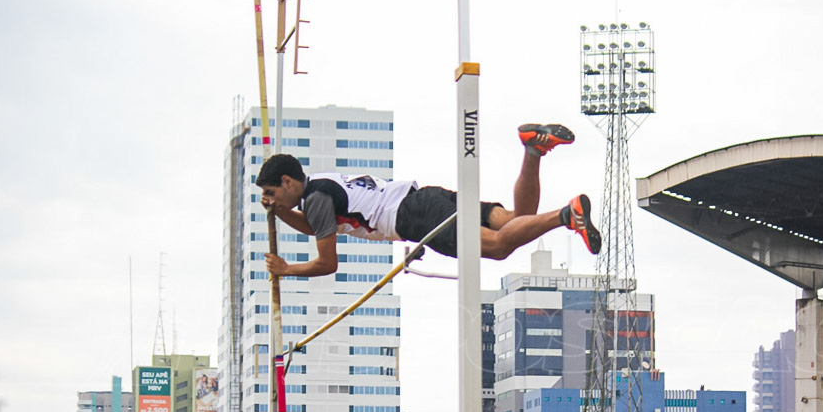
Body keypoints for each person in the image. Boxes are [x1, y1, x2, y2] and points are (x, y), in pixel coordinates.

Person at [257, 123, 601, 280]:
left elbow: (327, 263)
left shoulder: (315, 198)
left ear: (288, 181)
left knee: (497, 247)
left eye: (272, 193)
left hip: (416, 218)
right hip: (425, 198)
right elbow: (312, 226)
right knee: (519, 219)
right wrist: (282, 211)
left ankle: (566, 216)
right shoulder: (319, 186)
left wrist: (286, 269)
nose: (269, 201)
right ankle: (532, 150)